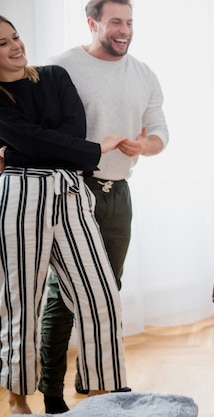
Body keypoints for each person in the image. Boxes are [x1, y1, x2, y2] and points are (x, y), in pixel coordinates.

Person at [38, 0, 169, 413]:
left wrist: (143, 145)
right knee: (63, 296)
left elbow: (161, 132)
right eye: (116, 22)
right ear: (92, 22)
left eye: (129, 22)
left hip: (119, 194)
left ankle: (93, 384)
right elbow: (40, 132)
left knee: (107, 292)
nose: (124, 30)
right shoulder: (60, 68)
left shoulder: (144, 74)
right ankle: (51, 390)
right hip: (72, 191)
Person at [0, 15, 128, 415]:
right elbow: (36, 139)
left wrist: (18, 151)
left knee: (102, 294)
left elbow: (72, 137)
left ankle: (104, 394)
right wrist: (43, 148)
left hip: (71, 192)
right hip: (21, 197)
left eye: (16, 36)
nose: (16, 46)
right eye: (3, 43)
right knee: (21, 301)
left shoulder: (54, 77)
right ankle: (17, 397)